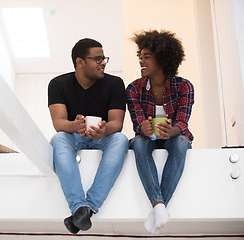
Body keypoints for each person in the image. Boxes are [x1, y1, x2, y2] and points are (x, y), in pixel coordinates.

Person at [48, 38, 129, 234]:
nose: (103, 62)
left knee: (121, 139)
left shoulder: (115, 83)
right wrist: (73, 126)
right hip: (74, 136)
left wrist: (104, 130)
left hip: (103, 137)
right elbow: (59, 123)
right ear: (80, 62)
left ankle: (85, 208)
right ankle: (80, 208)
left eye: (104, 58)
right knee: (58, 139)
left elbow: (117, 124)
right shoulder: (58, 84)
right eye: (98, 59)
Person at [126, 30, 194, 234]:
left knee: (181, 141)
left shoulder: (184, 86)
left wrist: (171, 130)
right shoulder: (133, 89)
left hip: (173, 137)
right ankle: (159, 206)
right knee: (138, 142)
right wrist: (142, 128)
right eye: (140, 56)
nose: (141, 61)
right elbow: (137, 123)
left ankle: (156, 209)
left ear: (163, 59)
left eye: (147, 57)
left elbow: (182, 122)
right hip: (148, 140)